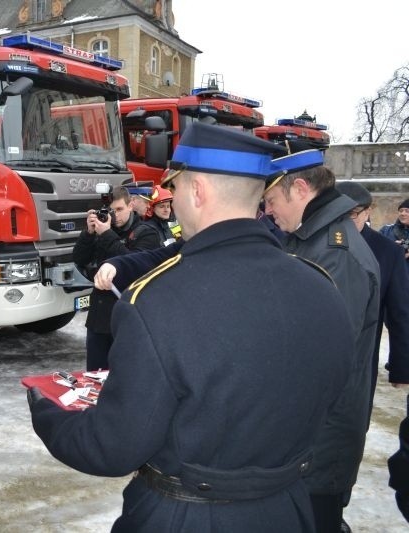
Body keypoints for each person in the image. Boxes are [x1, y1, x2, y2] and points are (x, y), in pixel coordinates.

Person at [27, 122, 356, 532]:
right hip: (288, 509)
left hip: (185, 518)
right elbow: (334, 394)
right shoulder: (321, 287)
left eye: (176, 188)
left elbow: (112, 447)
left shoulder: (155, 302)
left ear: (197, 191)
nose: (173, 200)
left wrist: (48, 412)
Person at [263, 152, 380, 533]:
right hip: (300, 438)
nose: (268, 211)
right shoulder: (307, 241)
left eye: (272, 201)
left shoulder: (335, 254)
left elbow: (322, 359)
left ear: (299, 189)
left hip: (319, 443)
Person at [336, 181, 409, 398]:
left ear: (368, 211)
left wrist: (401, 368)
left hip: (363, 354)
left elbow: (399, 312)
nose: (343, 222)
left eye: (352, 215)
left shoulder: (387, 251)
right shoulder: (314, 242)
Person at [72, 186, 150, 371]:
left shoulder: (146, 232)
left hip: (127, 321)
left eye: (120, 210)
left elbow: (134, 267)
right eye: (112, 211)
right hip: (98, 320)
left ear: (131, 205)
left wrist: (107, 234)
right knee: (94, 377)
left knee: (125, 377)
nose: (115, 216)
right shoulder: (102, 229)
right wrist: (88, 234)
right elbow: (79, 259)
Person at [379, 198, 409, 262]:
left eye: (407, 211)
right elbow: (373, 248)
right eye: (401, 211)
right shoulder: (386, 230)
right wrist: (392, 247)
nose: (403, 214)